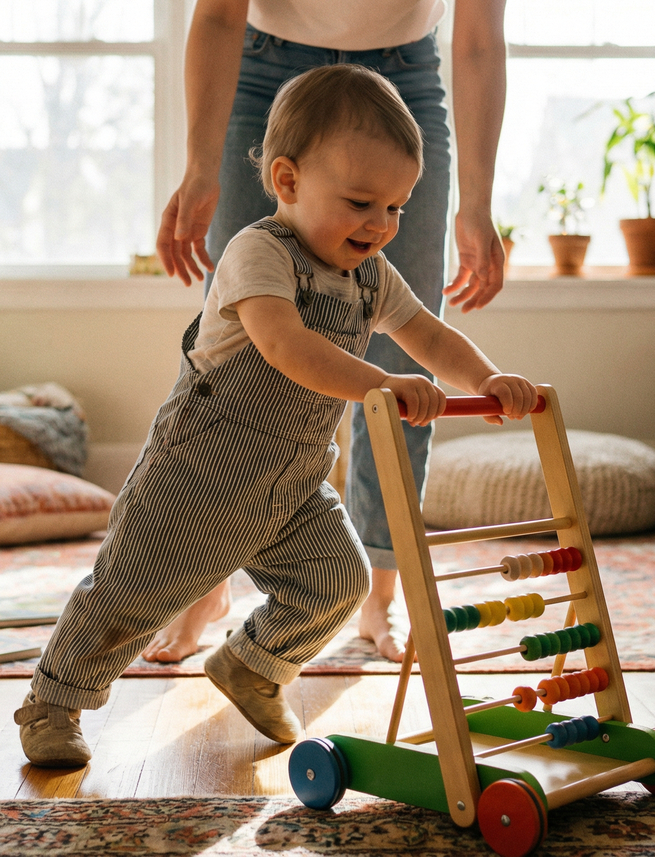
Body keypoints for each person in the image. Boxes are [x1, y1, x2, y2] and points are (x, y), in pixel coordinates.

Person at [15, 65, 535, 767]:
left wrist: (486, 376)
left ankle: (255, 664)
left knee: (338, 581)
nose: (380, 225)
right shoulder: (258, 253)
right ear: (288, 181)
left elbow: (429, 332)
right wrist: (384, 383)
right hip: (197, 473)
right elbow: (288, 347)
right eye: (360, 202)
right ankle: (56, 699)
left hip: (289, 482)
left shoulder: (369, 275)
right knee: (128, 593)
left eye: (396, 208)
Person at [144, 0, 508, 666]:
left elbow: (480, 40)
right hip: (264, 74)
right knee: (239, 342)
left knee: (404, 349)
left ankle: (380, 587)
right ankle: (207, 575)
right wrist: (200, 167)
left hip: (407, 81)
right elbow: (220, 16)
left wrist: (477, 203)